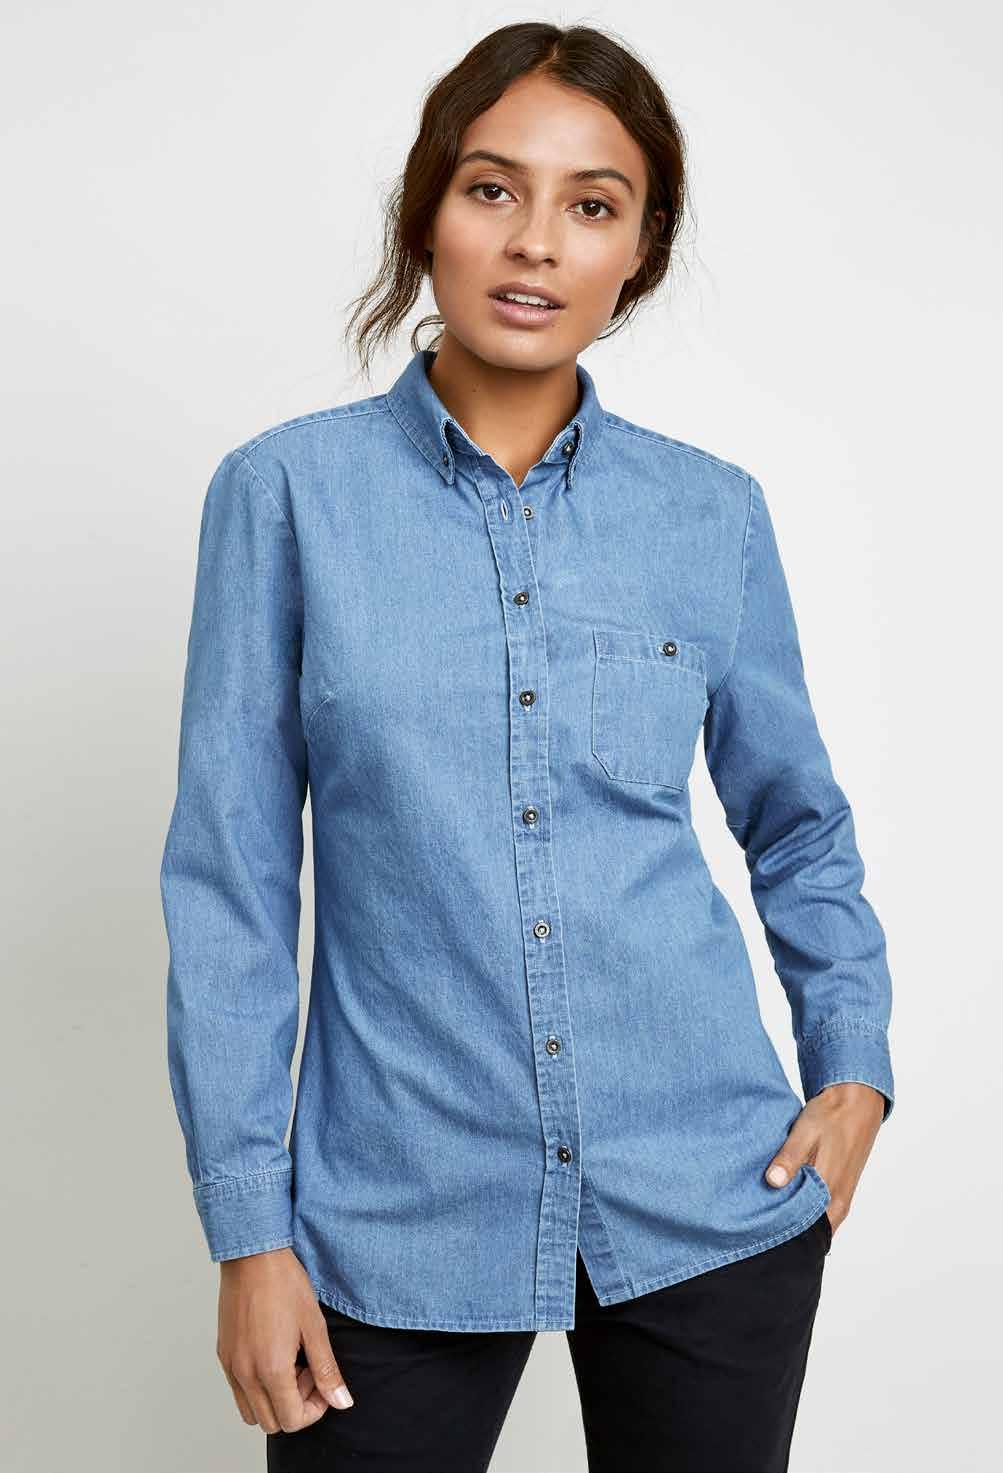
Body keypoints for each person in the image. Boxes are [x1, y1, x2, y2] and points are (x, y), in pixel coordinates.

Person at [159, 21, 895, 1473]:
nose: (537, 243)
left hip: (710, 1192)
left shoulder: (710, 513)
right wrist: (248, 1229)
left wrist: (853, 1064)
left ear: (639, 250)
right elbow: (229, 881)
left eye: (592, 205)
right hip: (392, 1213)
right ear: (426, 209)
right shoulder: (285, 497)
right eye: (493, 189)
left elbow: (797, 821)